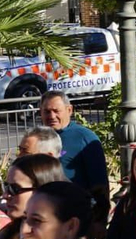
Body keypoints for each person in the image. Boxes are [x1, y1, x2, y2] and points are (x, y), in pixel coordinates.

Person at [38, 92, 110, 220]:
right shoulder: (37, 138)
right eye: (47, 111)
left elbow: (99, 183)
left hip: (76, 214)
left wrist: (100, 219)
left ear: (69, 110)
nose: (52, 116)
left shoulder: (85, 138)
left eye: (56, 111)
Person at [0, 153, 67, 239]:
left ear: (41, 191)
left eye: (15, 189)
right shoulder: (5, 236)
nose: (5, 196)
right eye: (6, 187)